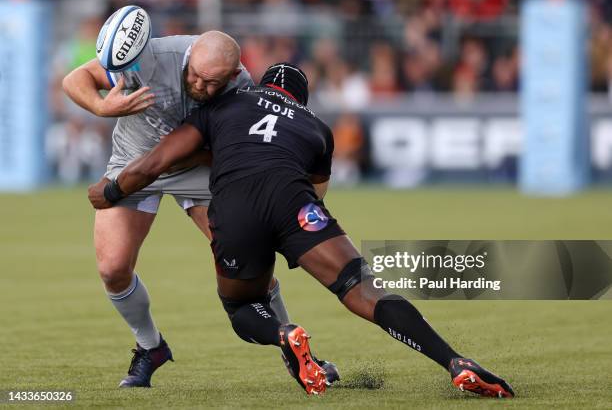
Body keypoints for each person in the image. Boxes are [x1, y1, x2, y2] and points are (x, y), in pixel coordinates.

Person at [88, 63, 515, 398]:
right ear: (300, 98)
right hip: (296, 204)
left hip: (237, 208)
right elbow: (318, 192)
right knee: (361, 286)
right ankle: (454, 360)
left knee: (243, 306)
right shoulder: (316, 128)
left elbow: (157, 161)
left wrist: (112, 190)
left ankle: (283, 333)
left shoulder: (224, 105)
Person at [63, 29, 338, 388]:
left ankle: (295, 353)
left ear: (232, 76)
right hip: (133, 164)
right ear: (188, 57)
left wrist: (180, 157)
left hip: (198, 172)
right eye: (195, 76)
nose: (201, 86)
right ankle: (151, 347)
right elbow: (75, 79)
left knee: (249, 266)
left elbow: (232, 145)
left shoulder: (241, 86)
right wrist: (102, 106)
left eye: (212, 83)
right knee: (113, 269)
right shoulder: (149, 56)